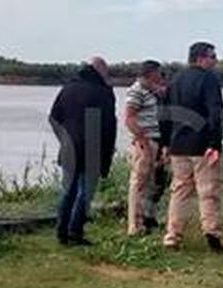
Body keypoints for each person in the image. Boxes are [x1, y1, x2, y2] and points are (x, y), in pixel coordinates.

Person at [158, 41, 223, 253]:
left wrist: (165, 143)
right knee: (208, 191)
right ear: (200, 58)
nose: (215, 61)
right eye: (212, 56)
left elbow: (164, 114)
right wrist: (215, 143)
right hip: (202, 145)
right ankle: (212, 232)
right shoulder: (209, 79)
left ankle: (172, 236)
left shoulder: (175, 80)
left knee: (179, 191)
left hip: (178, 145)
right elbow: (216, 113)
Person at [48, 56, 118, 246]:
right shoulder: (103, 92)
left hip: (69, 148)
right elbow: (109, 126)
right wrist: (107, 155)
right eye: (106, 71)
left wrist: (64, 139)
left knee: (67, 191)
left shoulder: (68, 88)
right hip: (93, 149)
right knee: (85, 193)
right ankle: (75, 232)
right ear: (99, 70)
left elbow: (53, 118)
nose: (107, 74)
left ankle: (61, 232)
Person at [124, 60, 169, 235]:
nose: (160, 75)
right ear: (151, 73)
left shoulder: (150, 90)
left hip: (154, 140)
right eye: (158, 72)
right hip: (145, 141)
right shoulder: (136, 90)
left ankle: (144, 220)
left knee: (150, 182)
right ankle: (134, 225)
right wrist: (141, 140)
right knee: (139, 182)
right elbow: (129, 117)